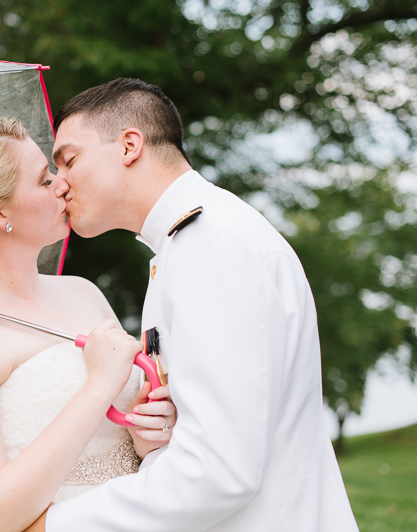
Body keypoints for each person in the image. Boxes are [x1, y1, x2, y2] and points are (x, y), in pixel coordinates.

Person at [23, 79, 358, 531]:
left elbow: (218, 471)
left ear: (129, 145)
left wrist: (55, 526)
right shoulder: (187, 246)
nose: (59, 184)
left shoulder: (213, 248)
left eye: (69, 160)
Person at [0, 117, 178, 532]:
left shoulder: (83, 292)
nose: (63, 185)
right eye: (42, 180)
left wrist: (148, 439)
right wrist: (98, 387)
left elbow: (127, 439)